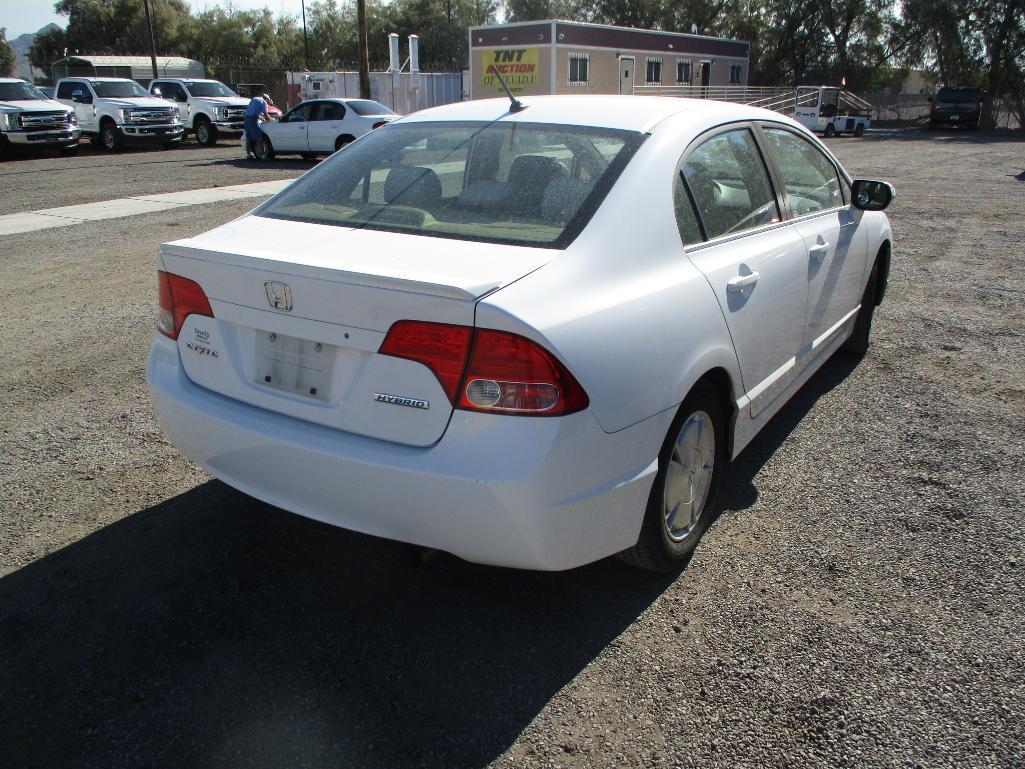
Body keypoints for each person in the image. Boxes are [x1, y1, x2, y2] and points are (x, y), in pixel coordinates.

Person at [242, 93, 274, 159]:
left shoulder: (254, 99)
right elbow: (266, 116)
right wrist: (272, 120)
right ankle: (263, 155)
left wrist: (262, 118)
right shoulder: (264, 102)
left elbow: (253, 111)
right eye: (268, 99)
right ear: (266, 99)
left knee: (249, 137)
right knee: (260, 138)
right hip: (253, 120)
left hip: (246, 119)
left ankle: (248, 154)